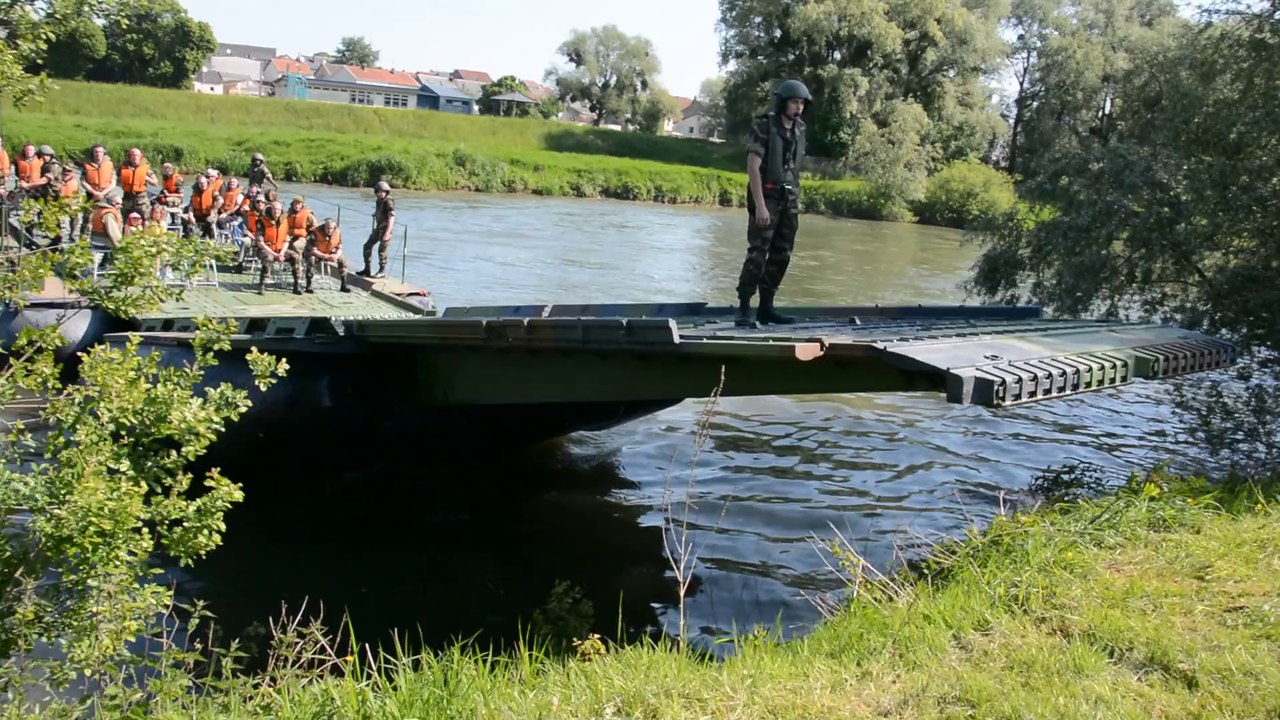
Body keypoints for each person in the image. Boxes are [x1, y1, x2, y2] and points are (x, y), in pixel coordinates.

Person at [734, 79, 811, 327]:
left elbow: (793, 168)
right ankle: (744, 307)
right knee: (757, 253)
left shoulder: (800, 129)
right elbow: (753, 168)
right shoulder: (764, 126)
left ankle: (766, 307)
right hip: (766, 196)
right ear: (783, 103)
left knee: (782, 254)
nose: (798, 107)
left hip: (789, 199)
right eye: (794, 102)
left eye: (801, 103)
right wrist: (760, 206)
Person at [254, 201, 301, 295]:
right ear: (270, 210)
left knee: (295, 256)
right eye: (274, 209)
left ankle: (296, 284)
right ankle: (262, 285)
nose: (276, 211)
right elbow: (260, 242)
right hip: (265, 249)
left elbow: (287, 240)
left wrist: (282, 253)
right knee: (268, 258)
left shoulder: (285, 221)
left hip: (280, 249)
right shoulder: (261, 221)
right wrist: (274, 254)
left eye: (278, 209)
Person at [359, 180, 395, 279]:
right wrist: (376, 214)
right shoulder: (379, 200)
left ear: (387, 192)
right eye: (379, 191)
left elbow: (392, 217)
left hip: (385, 229)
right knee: (367, 246)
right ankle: (367, 269)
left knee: (382, 251)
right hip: (378, 228)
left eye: (383, 191)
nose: (381, 193)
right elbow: (380, 211)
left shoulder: (388, 201)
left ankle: (382, 271)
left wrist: (387, 233)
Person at [306, 217, 350, 293]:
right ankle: (309, 284)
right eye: (327, 228)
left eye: (331, 228)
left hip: (329, 252)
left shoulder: (337, 232)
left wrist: (336, 255)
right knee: (311, 259)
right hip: (316, 253)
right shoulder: (316, 232)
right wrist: (327, 257)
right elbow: (313, 251)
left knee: (342, 258)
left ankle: (343, 284)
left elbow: (339, 248)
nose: (329, 230)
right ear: (324, 227)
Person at [81, 144, 116, 239]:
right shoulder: (86, 165)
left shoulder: (109, 164)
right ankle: (83, 240)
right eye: (96, 152)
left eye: (100, 152)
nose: (98, 154)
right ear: (93, 153)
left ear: (104, 152)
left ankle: (107, 238)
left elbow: (113, 181)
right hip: (91, 195)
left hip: (106, 195)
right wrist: (93, 192)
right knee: (87, 219)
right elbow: (83, 181)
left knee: (106, 217)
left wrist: (103, 193)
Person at [118, 147, 156, 218]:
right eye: (133, 155)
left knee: (145, 219)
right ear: (129, 156)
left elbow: (155, 183)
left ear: (140, 157)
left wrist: (146, 178)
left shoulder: (146, 168)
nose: (135, 158)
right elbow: (116, 181)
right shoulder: (122, 167)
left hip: (141, 199)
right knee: (125, 220)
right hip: (127, 198)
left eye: (137, 156)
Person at [185, 173, 222, 239]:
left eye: (204, 183)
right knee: (185, 218)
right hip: (198, 214)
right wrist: (191, 216)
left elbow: (221, 200)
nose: (203, 185)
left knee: (209, 221)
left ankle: (210, 238)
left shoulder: (213, 190)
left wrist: (213, 210)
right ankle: (187, 236)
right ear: (198, 184)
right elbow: (191, 205)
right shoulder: (195, 192)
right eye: (201, 183)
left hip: (209, 214)